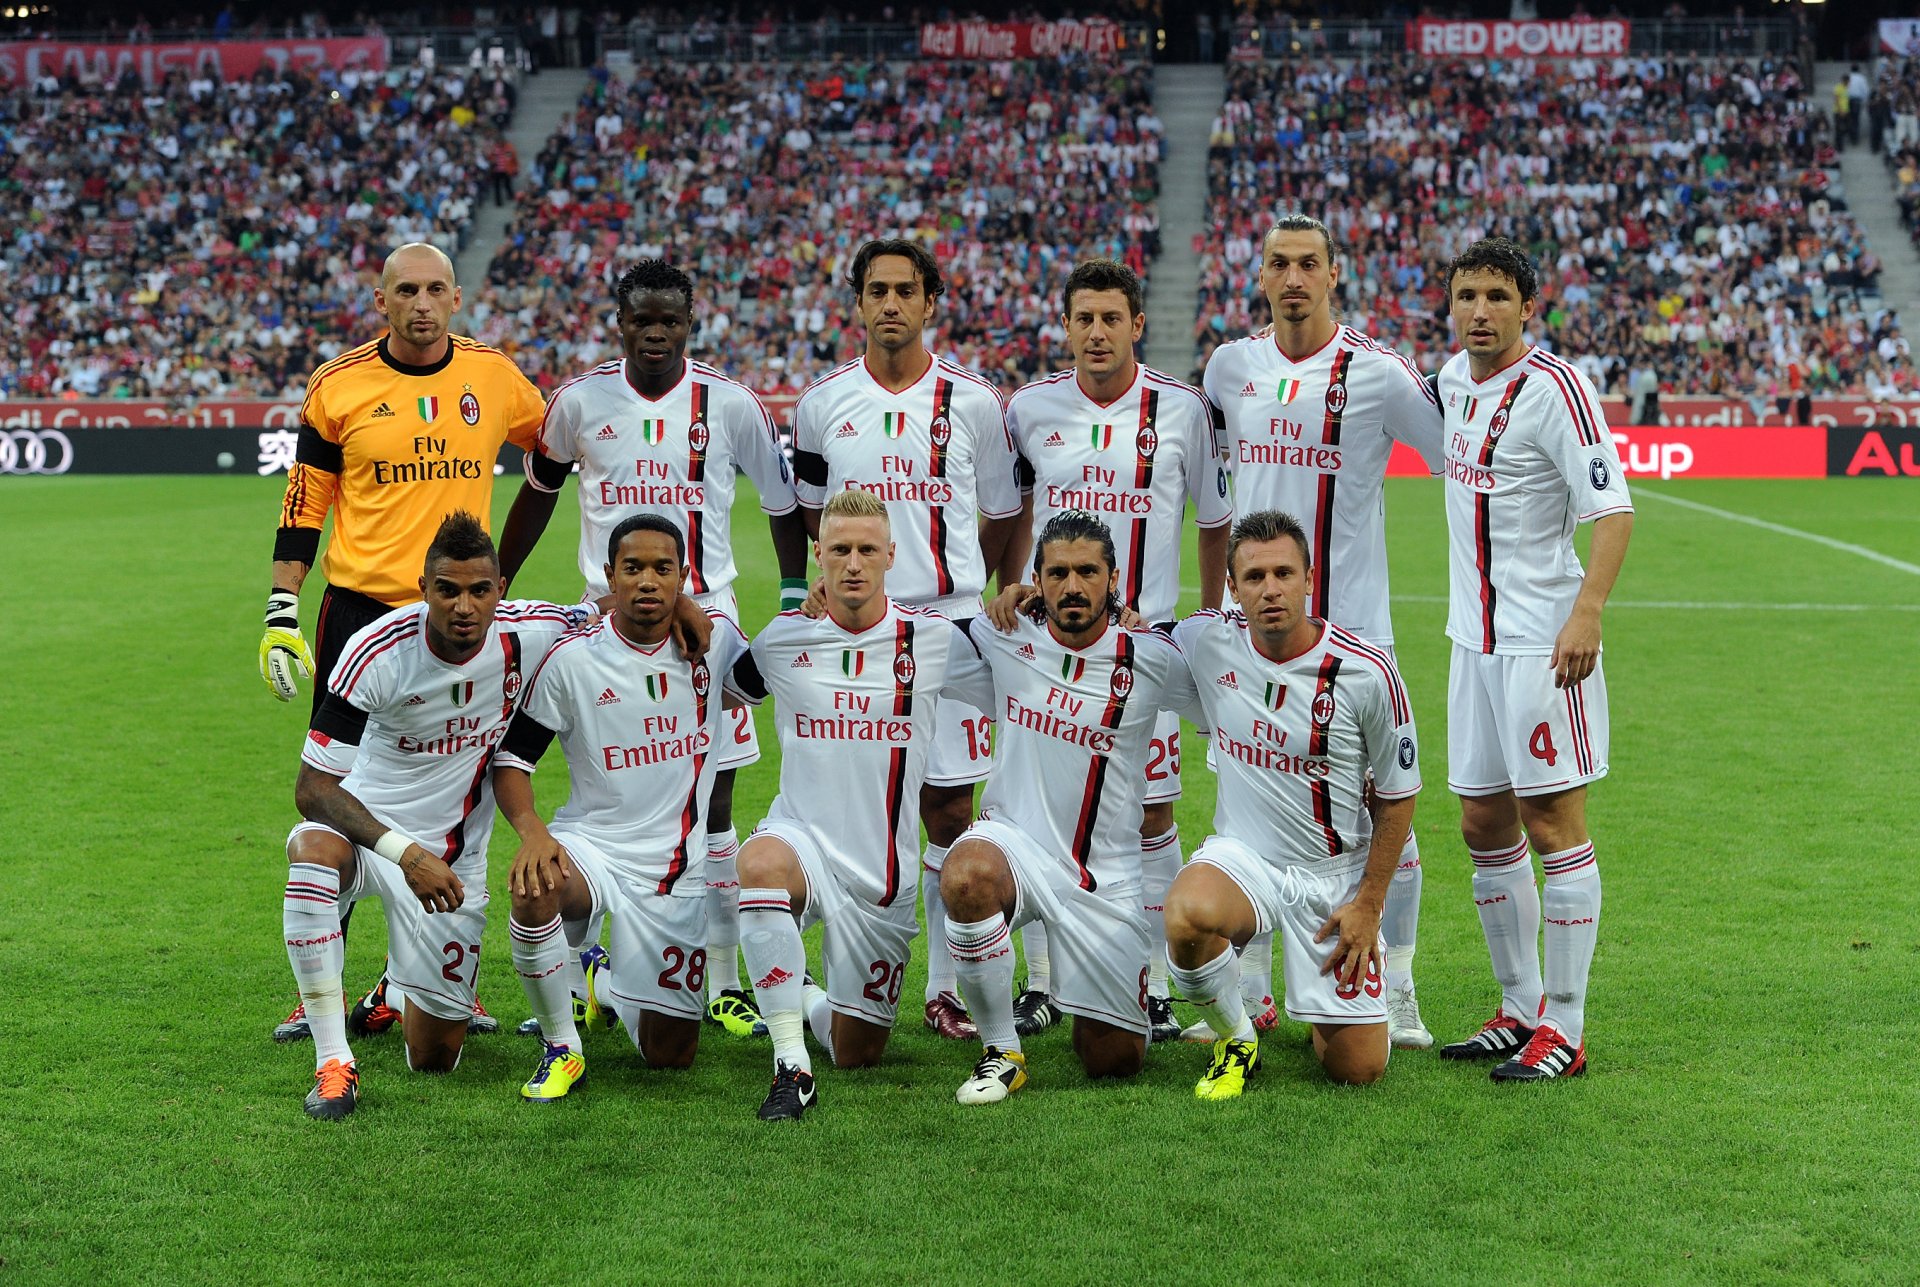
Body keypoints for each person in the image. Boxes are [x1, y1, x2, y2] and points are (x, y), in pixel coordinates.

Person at [497, 259, 807, 1042]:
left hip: (707, 628)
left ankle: (723, 981)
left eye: (671, 320)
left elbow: (780, 501)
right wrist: (500, 577)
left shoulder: (730, 403)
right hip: (607, 625)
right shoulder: (579, 401)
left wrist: (793, 593)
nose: (657, 332)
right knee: (607, 790)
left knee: (716, 803)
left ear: (690, 323)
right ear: (621, 323)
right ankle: (581, 971)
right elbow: (539, 490)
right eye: (643, 320)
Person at [261, 241, 548, 1044]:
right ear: (380, 300)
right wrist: (282, 605)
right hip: (360, 613)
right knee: (342, 791)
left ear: (456, 298)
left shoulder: (495, 376)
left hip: (459, 618)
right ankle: (322, 982)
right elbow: (305, 500)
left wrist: (511, 565)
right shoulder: (339, 383)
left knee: (465, 786)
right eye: (406, 291)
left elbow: (557, 452)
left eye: (435, 290)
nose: (422, 304)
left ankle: (439, 976)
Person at [1199, 213, 1444, 1049]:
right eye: (1280, 263)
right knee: (1250, 808)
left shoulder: (1380, 374)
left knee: (1384, 812)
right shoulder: (1230, 367)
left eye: (1310, 263)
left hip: (1355, 640)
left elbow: (1457, 457)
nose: (1294, 277)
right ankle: (1253, 988)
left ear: (1334, 274)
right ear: (1260, 275)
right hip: (1252, 638)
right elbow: (1212, 491)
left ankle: (1398, 985)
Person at [279, 512, 589, 1119]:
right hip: (367, 833)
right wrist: (406, 854)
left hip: (454, 861)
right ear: (423, 589)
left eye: (480, 591)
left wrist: (689, 609)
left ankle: (394, 988)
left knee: (435, 1058)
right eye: (447, 590)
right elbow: (313, 789)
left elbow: (616, 609)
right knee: (312, 856)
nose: (464, 607)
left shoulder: (534, 631)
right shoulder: (376, 651)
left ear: (501, 589)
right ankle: (334, 1062)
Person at [789, 238, 1023, 1040]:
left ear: (930, 302)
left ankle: (945, 984)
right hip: (857, 634)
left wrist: (971, 582)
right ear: (858, 302)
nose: (890, 303)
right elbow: (810, 512)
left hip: (948, 628)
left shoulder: (975, 402)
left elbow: (1003, 510)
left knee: (949, 809)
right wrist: (823, 589)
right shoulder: (821, 403)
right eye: (876, 289)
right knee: (852, 809)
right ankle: (846, 971)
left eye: (905, 290)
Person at [1002, 258, 1230, 1043]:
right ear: (1066, 326)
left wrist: (1208, 616)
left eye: (1110, 318)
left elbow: (1213, 520)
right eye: (1083, 319)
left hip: (1143, 650)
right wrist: (1013, 594)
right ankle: (1042, 983)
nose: (1096, 332)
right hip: (1051, 650)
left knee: (1152, 813)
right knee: (1043, 814)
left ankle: (1155, 986)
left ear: (1137, 324)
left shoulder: (1183, 410)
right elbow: (1011, 512)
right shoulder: (1029, 409)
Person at [1434, 236, 1632, 1081]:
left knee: (1552, 823)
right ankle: (1518, 1006)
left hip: (1542, 645)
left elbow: (1613, 510)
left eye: (1496, 297)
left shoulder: (1557, 388)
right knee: (1483, 822)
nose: (1479, 311)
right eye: (1466, 295)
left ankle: (1567, 1026)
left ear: (1527, 306)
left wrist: (1587, 613)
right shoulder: (1451, 381)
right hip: (1470, 641)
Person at [731, 489, 994, 1121]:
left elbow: (1016, 688)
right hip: (801, 841)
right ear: (818, 556)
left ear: (891, 556)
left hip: (883, 878)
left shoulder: (933, 640)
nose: (853, 564)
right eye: (840, 550)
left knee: (857, 1052)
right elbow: (721, 688)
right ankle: (791, 1066)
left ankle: (800, 993)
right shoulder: (783, 639)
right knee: (760, 864)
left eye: (867, 551)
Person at [941, 511, 1202, 1103]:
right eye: (1057, 573)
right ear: (1035, 581)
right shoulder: (1001, 632)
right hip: (1015, 846)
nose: (1073, 586)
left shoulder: (1151, 658)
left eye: (1088, 571)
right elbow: (902, 633)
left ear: (1114, 579)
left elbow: (1227, 709)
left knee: (1113, 1061)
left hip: (1104, 879)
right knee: (966, 875)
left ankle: (1087, 995)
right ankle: (1002, 1050)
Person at [491, 514, 753, 1101]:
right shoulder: (572, 660)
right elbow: (512, 761)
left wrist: (812, 605)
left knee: (670, 1057)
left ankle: (598, 978)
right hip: (597, 849)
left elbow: (765, 677)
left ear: (683, 575)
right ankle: (562, 1047)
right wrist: (533, 833)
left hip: (676, 875)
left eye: (663, 569)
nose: (648, 581)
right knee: (536, 888)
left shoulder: (714, 642)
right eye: (632, 568)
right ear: (610, 576)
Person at [1162, 510, 1420, 1098]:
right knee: (1186, 915)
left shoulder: (1366, 672)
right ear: (1232, 589)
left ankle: (1342, 1008)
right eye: (1254, 577)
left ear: (1309, 578)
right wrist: (1027, 601)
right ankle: (1237, 1036)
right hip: (1245, 860)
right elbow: (1123, 636)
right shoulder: (1206, 641)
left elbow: (1400, 795)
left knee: (1356, 1070)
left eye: (1284, 573)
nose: (1270, 589)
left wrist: (1368, 905)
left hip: (1332, 879)